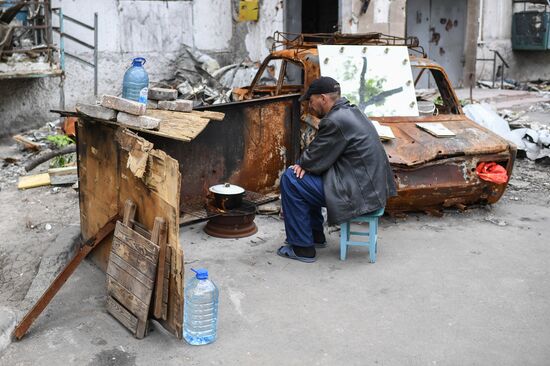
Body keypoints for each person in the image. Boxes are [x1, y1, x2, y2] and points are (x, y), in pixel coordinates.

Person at [277, 76, 397, 263]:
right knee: (306, 175)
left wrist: (301, 165)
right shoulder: (352, 111)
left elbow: (314, 156)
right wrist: (307, 165)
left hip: (359, 193)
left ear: (323, 98)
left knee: (291, 179)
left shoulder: (335, 120)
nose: (310, 105)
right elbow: (319, 155)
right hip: (369, 188)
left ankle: (302, 248)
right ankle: (315, 236)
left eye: (311, 100)